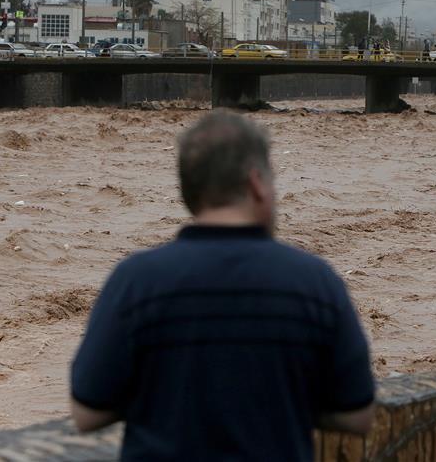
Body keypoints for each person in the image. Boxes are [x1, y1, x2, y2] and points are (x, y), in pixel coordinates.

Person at [70, 112, 376, 460]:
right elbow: (358, 413)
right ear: (257, 183)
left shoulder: (135, 280)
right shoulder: (315, 282)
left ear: (190, 191)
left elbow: (87, 412)